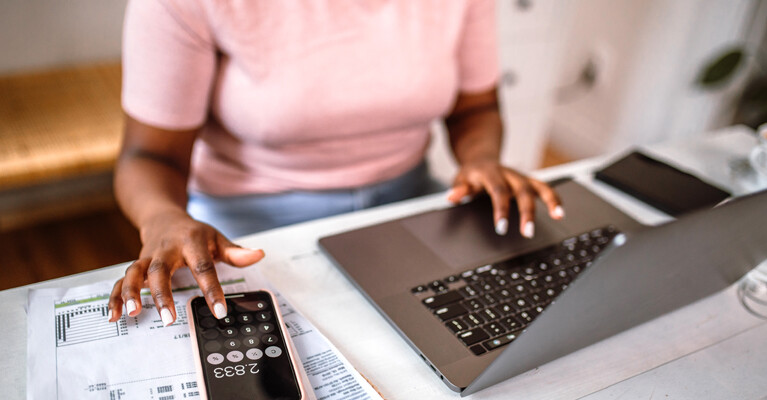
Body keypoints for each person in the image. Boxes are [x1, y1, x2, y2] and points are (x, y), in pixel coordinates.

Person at [107, 0, 564, 327]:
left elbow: (475, 108)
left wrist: (481, 159)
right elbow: (150, 155)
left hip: (405, 200)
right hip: (244, 225)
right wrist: (162, 217)